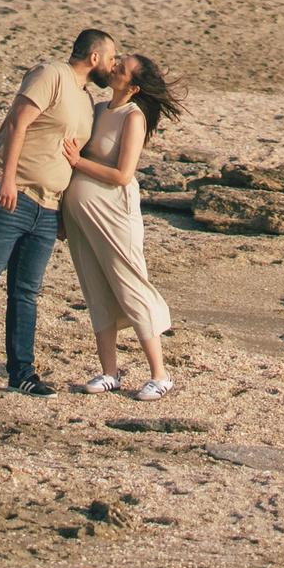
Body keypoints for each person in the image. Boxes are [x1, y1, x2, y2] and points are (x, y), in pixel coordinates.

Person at [0, 29, 117, 395]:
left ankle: (22, 375)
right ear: (94, 57)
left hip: (47, 206)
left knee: (26, 292)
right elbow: (17, 121)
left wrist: (62, 212)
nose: (114, 64)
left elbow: (69, 156)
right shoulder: (51, 74)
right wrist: (8, 180)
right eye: (112, 57)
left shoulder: (86, 99)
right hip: (7, 193)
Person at [59, 54, 183, 400]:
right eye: (117, 63)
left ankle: (160, 374)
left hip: (116, 214)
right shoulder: (98, 109)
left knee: (130, 285)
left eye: (122, 69)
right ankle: (109, 372)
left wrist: (78, 161)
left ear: (133, 86)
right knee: (95, 288)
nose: (114, 68)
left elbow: (122, 175)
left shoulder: (133, 117)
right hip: (80, 216)